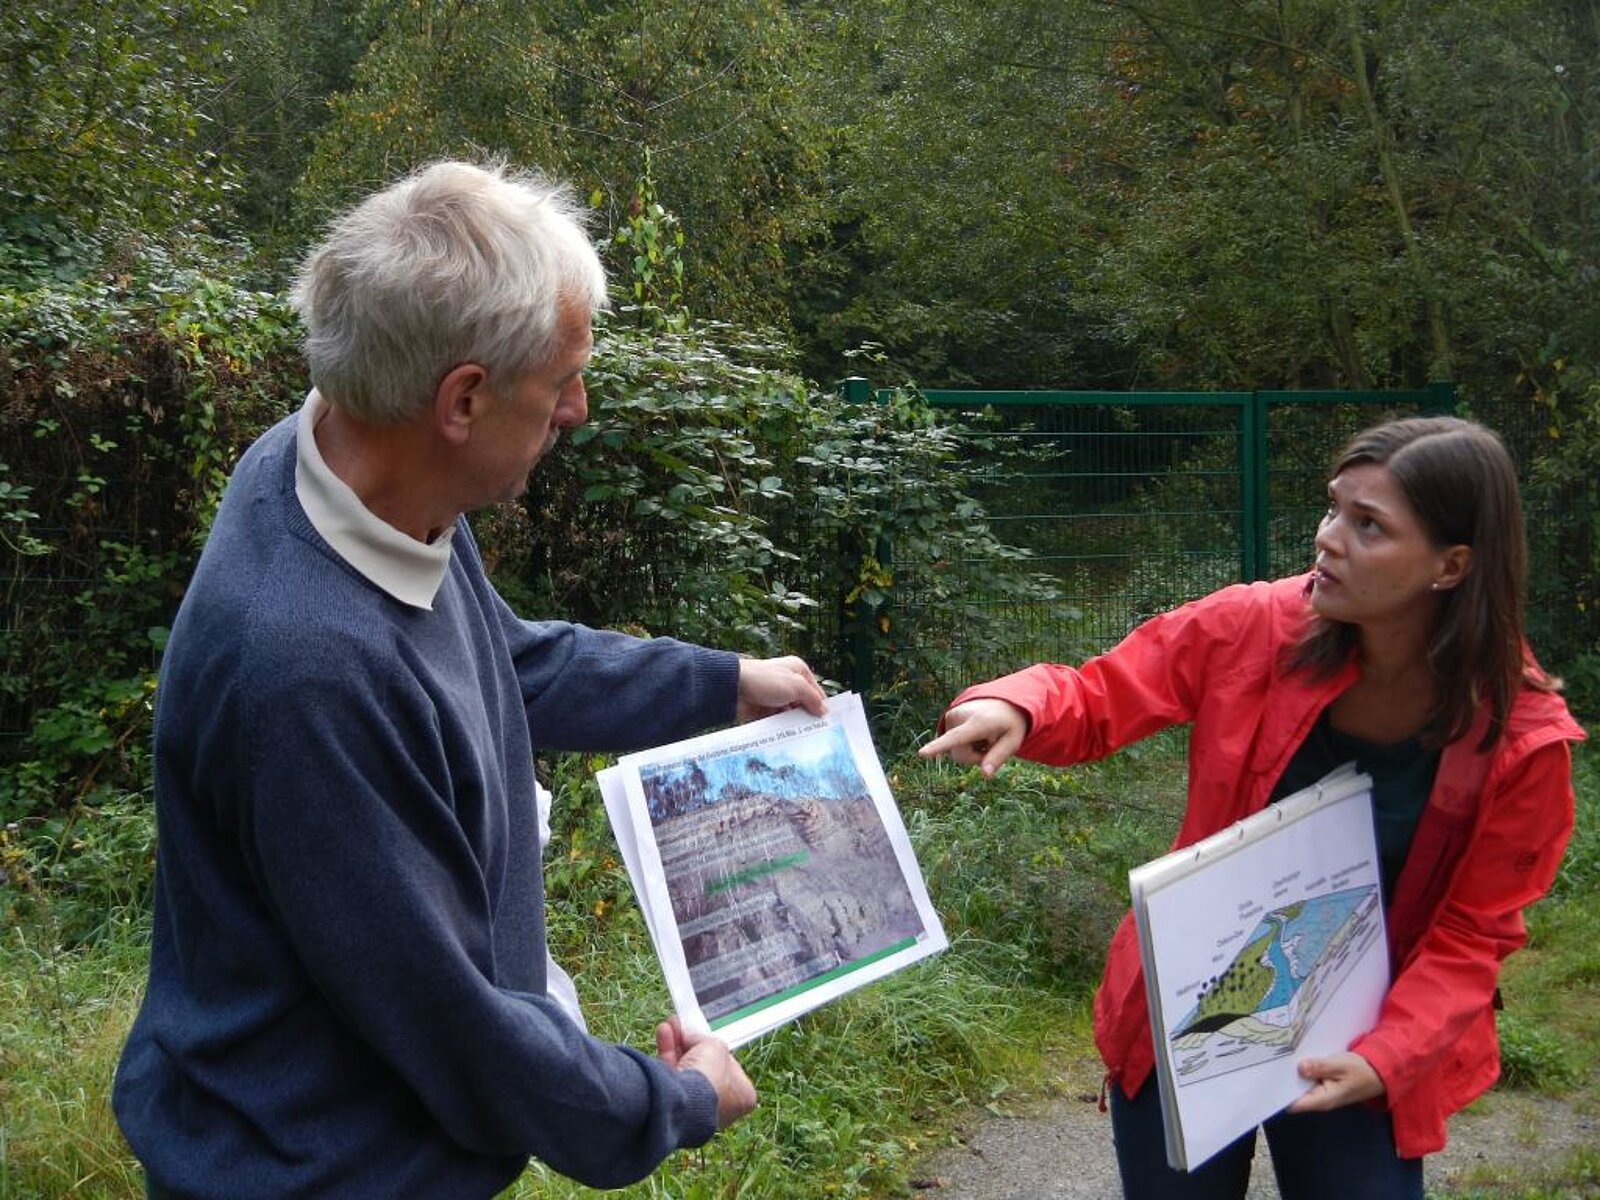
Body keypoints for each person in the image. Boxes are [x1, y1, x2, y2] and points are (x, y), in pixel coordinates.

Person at [112, 159, 828, 1199]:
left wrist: (719, 683)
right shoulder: (308, 674)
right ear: (462, 399)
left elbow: (500, 659)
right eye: (559, 382)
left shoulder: (350, 469)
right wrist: (670, 1102)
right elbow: (451, 1023)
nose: (576, 408)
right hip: (314, 1172)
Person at [919, 416, 1585, 1200]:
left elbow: (1474, 932)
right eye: (1334, 508)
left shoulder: (1522, 737)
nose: (1328, 538)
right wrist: (1019, 708)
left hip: (1364, 1030)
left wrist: (1390, 1055)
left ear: (1452, 564)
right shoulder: (1256, 624)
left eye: (1368, 525)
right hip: (1190, 1003)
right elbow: (1102, 691)